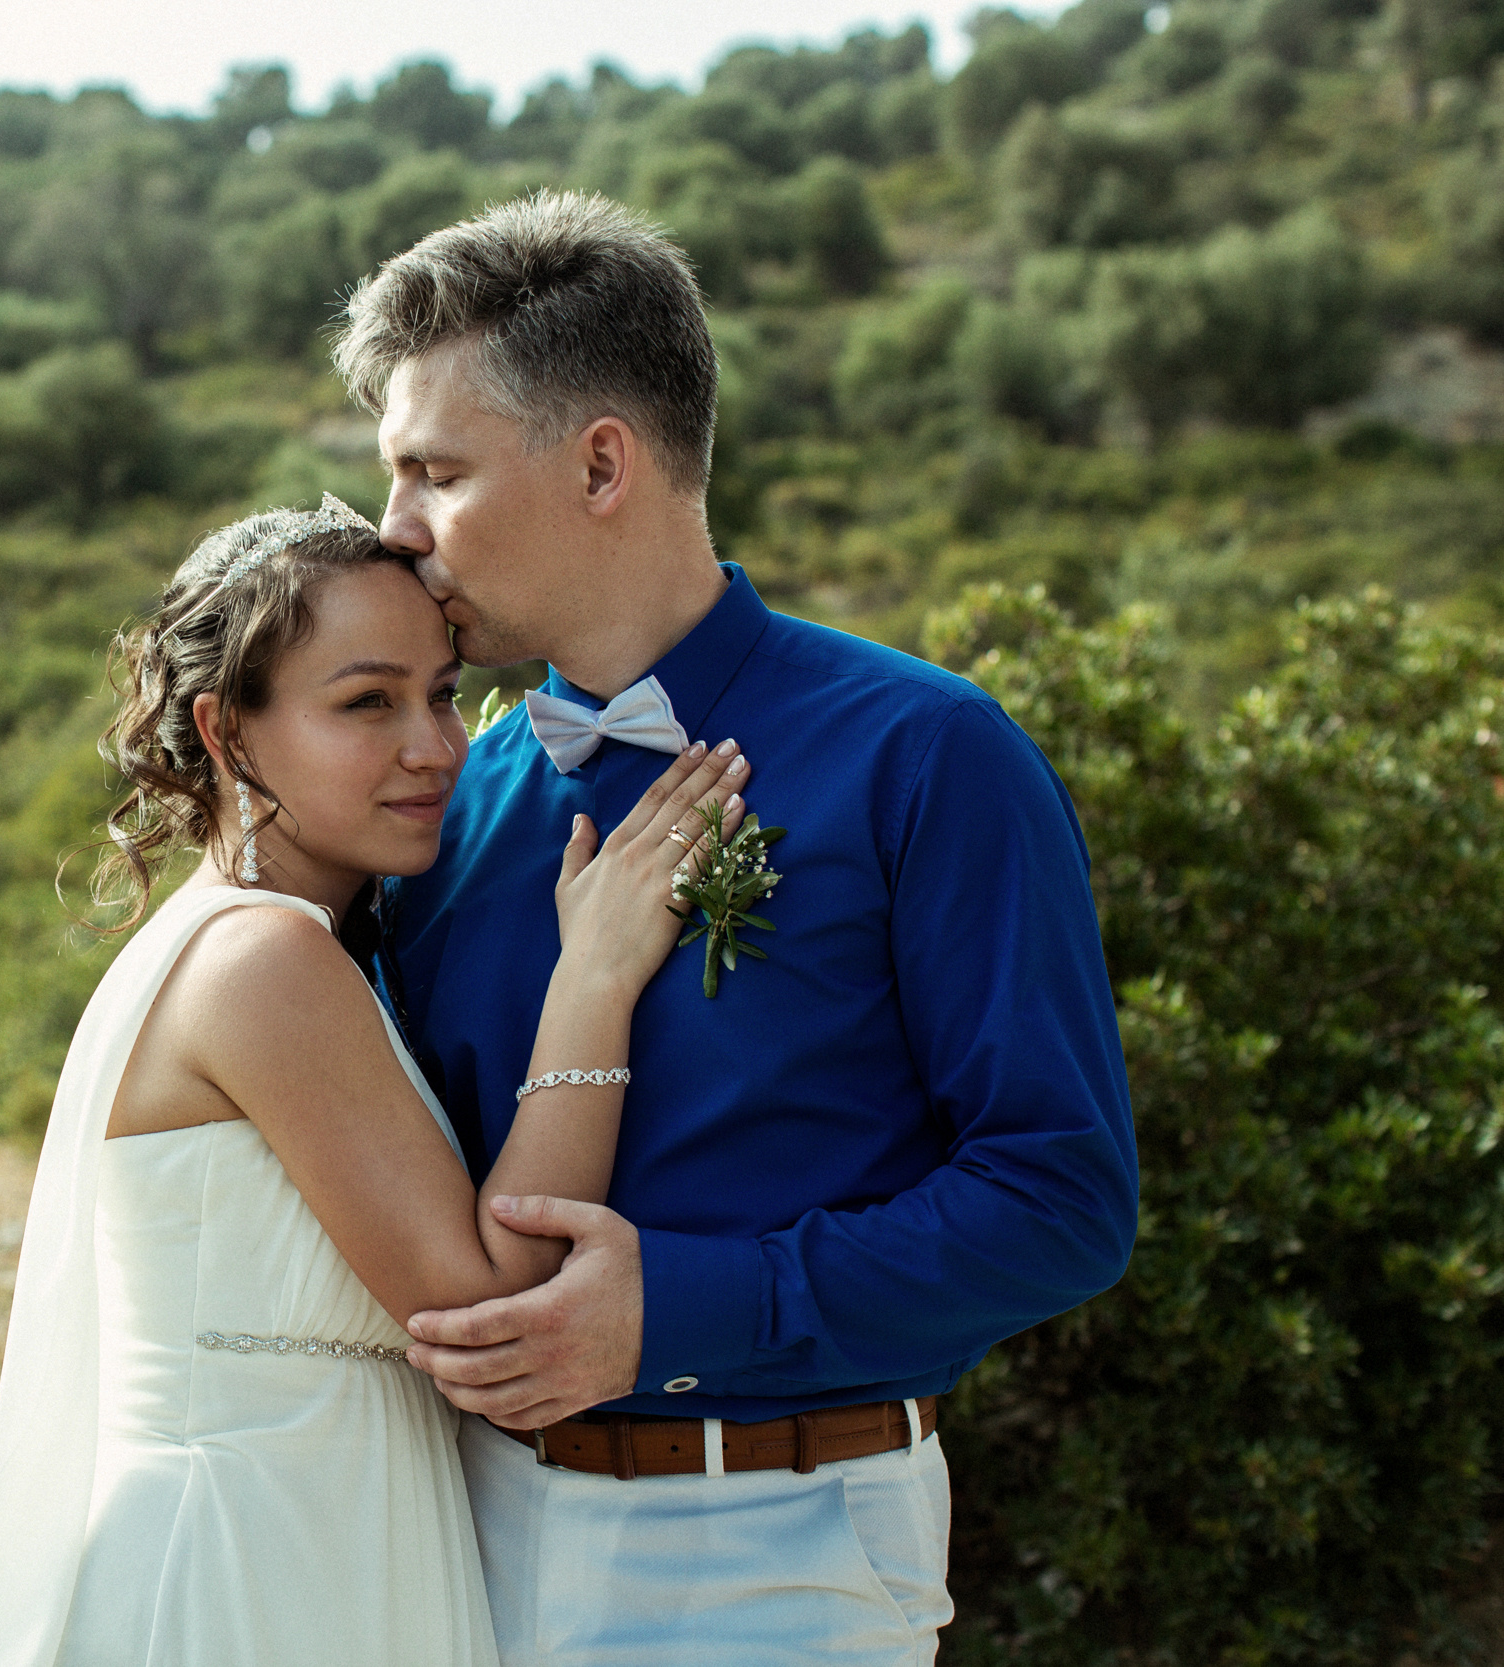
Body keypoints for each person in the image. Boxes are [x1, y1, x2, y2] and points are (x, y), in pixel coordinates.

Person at [333, 191, 1139, 1665]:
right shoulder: (446, 802)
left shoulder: (927, 755)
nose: (396, 531)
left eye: (435, 473)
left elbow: (1060, 1199)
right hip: (446, 1542)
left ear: (601, 463)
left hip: (783, 1549)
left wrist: (691, 1307)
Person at [0, 496, 757, 1665]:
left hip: (316, 1535)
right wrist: (594, 976)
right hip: (238, 1569)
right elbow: (489, 1295)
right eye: (366, 702)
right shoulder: (262, 959)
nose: (435, 746)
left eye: (441, 693)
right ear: (227, 731)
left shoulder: (264, 942)